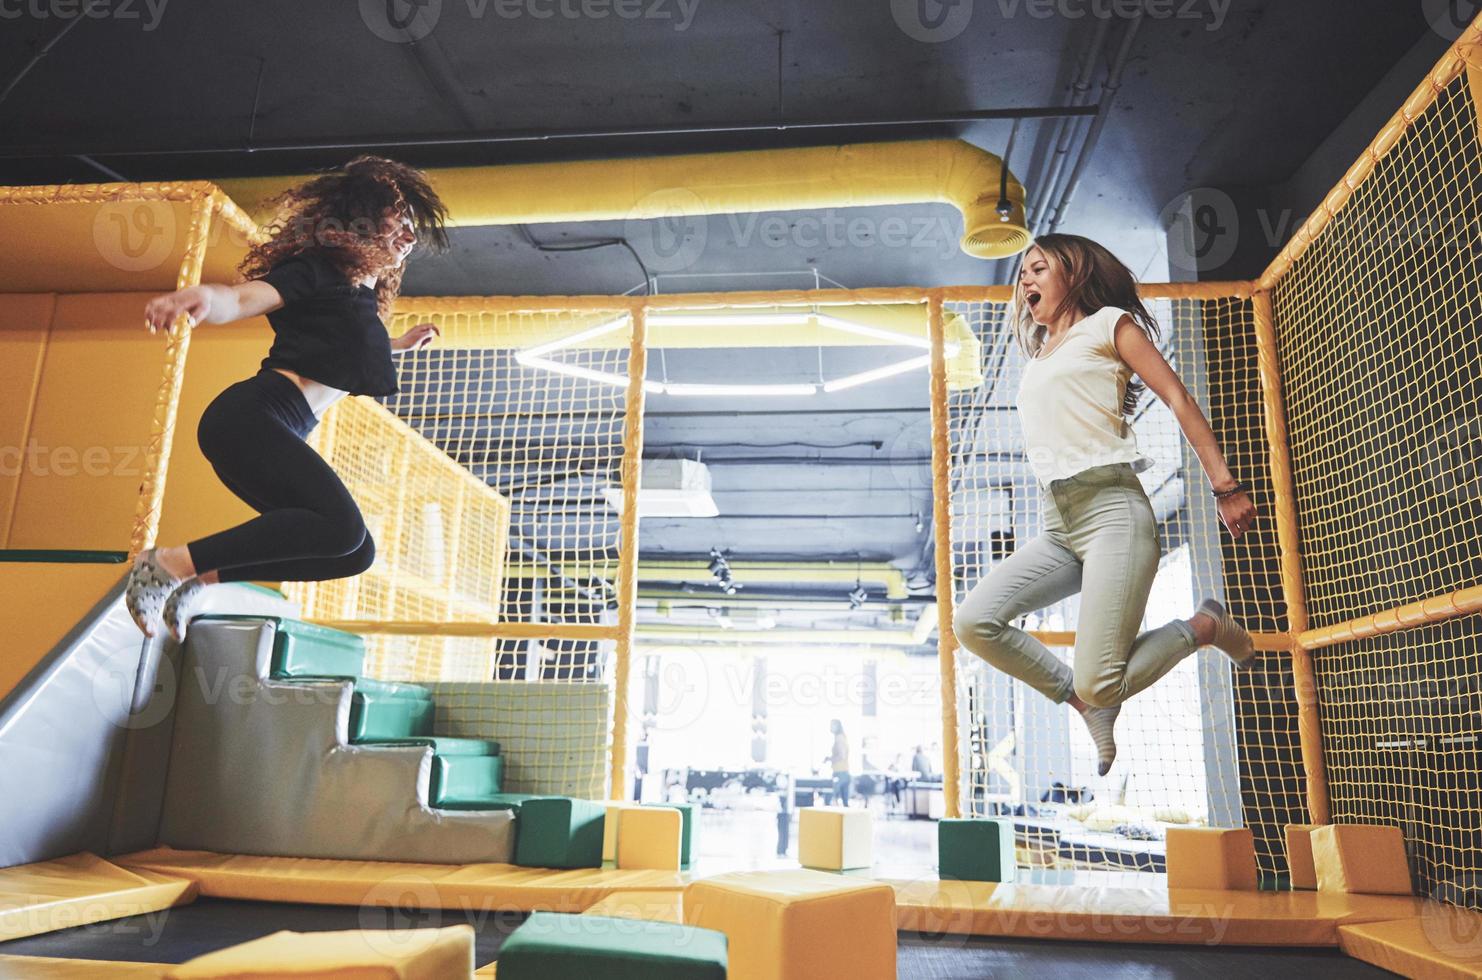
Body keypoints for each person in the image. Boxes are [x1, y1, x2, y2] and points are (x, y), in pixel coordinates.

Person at [952, 233, 1258, 777]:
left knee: (1102, 678)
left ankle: (1206, 626)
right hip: (1058, 523)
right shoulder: (1040, 353)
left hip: (1113, 511)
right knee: (974, 622)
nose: (1025, 280)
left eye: (1038, 268)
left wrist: (1225, 487)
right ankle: (1085, 703)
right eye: (1021, 273)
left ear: (1074, 272)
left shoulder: (1109, 324)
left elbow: (1178, 398)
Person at [125, 156, 450, 642]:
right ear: (359, 221)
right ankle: (164, 565)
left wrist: (396, 344)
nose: (408, 236)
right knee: (340, 528)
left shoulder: (359, 297)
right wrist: (206, 299)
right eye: (397, 222)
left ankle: (201, 579)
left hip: (270, 428)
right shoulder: (317, 271)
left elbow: (347, 348)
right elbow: (244, 298)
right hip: (250, 421)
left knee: (355, 553)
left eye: (411, 228)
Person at [826, 719, 851, 807]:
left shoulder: (839, 738)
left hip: (840, 772)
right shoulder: (842, 737)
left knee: (829, 798)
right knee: (844, 803)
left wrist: (830, 759)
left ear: (837, 726)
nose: (830, 727)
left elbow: (842, 756)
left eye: (832, 725)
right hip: (843, 772)